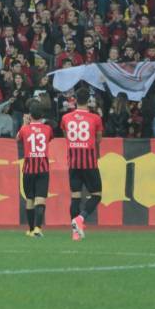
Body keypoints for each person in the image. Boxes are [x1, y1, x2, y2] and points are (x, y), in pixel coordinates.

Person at [61, 87, 104, 241]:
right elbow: (98, 139)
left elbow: (66, 136)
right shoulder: (95, 118)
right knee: (97, 195)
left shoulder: (66, 118)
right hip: (90, 163)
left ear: (75, 100)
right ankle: (80, 218)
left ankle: (75, 233)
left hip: (73, 162)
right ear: (89, 100)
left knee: (75, 197)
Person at [16, 102, 53, 237]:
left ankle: (31, 229)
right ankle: (38, 228)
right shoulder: (47, 129)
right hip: (43, 168)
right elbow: (48, 139)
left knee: (30, 199)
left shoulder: (25, 129)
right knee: (41, 198)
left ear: (30, 115)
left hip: (28, 169)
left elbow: (17, 139)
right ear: (42, 115)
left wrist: (25, 124)